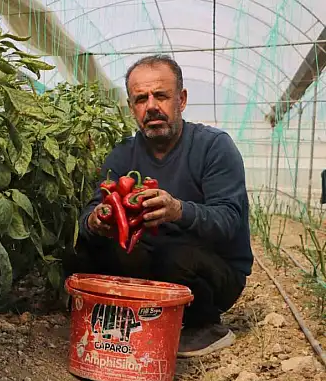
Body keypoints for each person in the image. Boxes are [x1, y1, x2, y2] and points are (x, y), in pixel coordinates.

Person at [65, 54, 253, 358]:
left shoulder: (214, 147)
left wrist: (179, 210)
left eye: (161, 96)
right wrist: (96, 221)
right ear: (131, 108)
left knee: (174, 256)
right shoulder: (122, 156)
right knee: (82, 249)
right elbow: (91, 209)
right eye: (141, 99)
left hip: (212, 271)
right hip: (152, 264)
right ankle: (125, 318)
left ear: (181, 99)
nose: (151, 106)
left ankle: (205, 325)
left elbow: (230, 221)